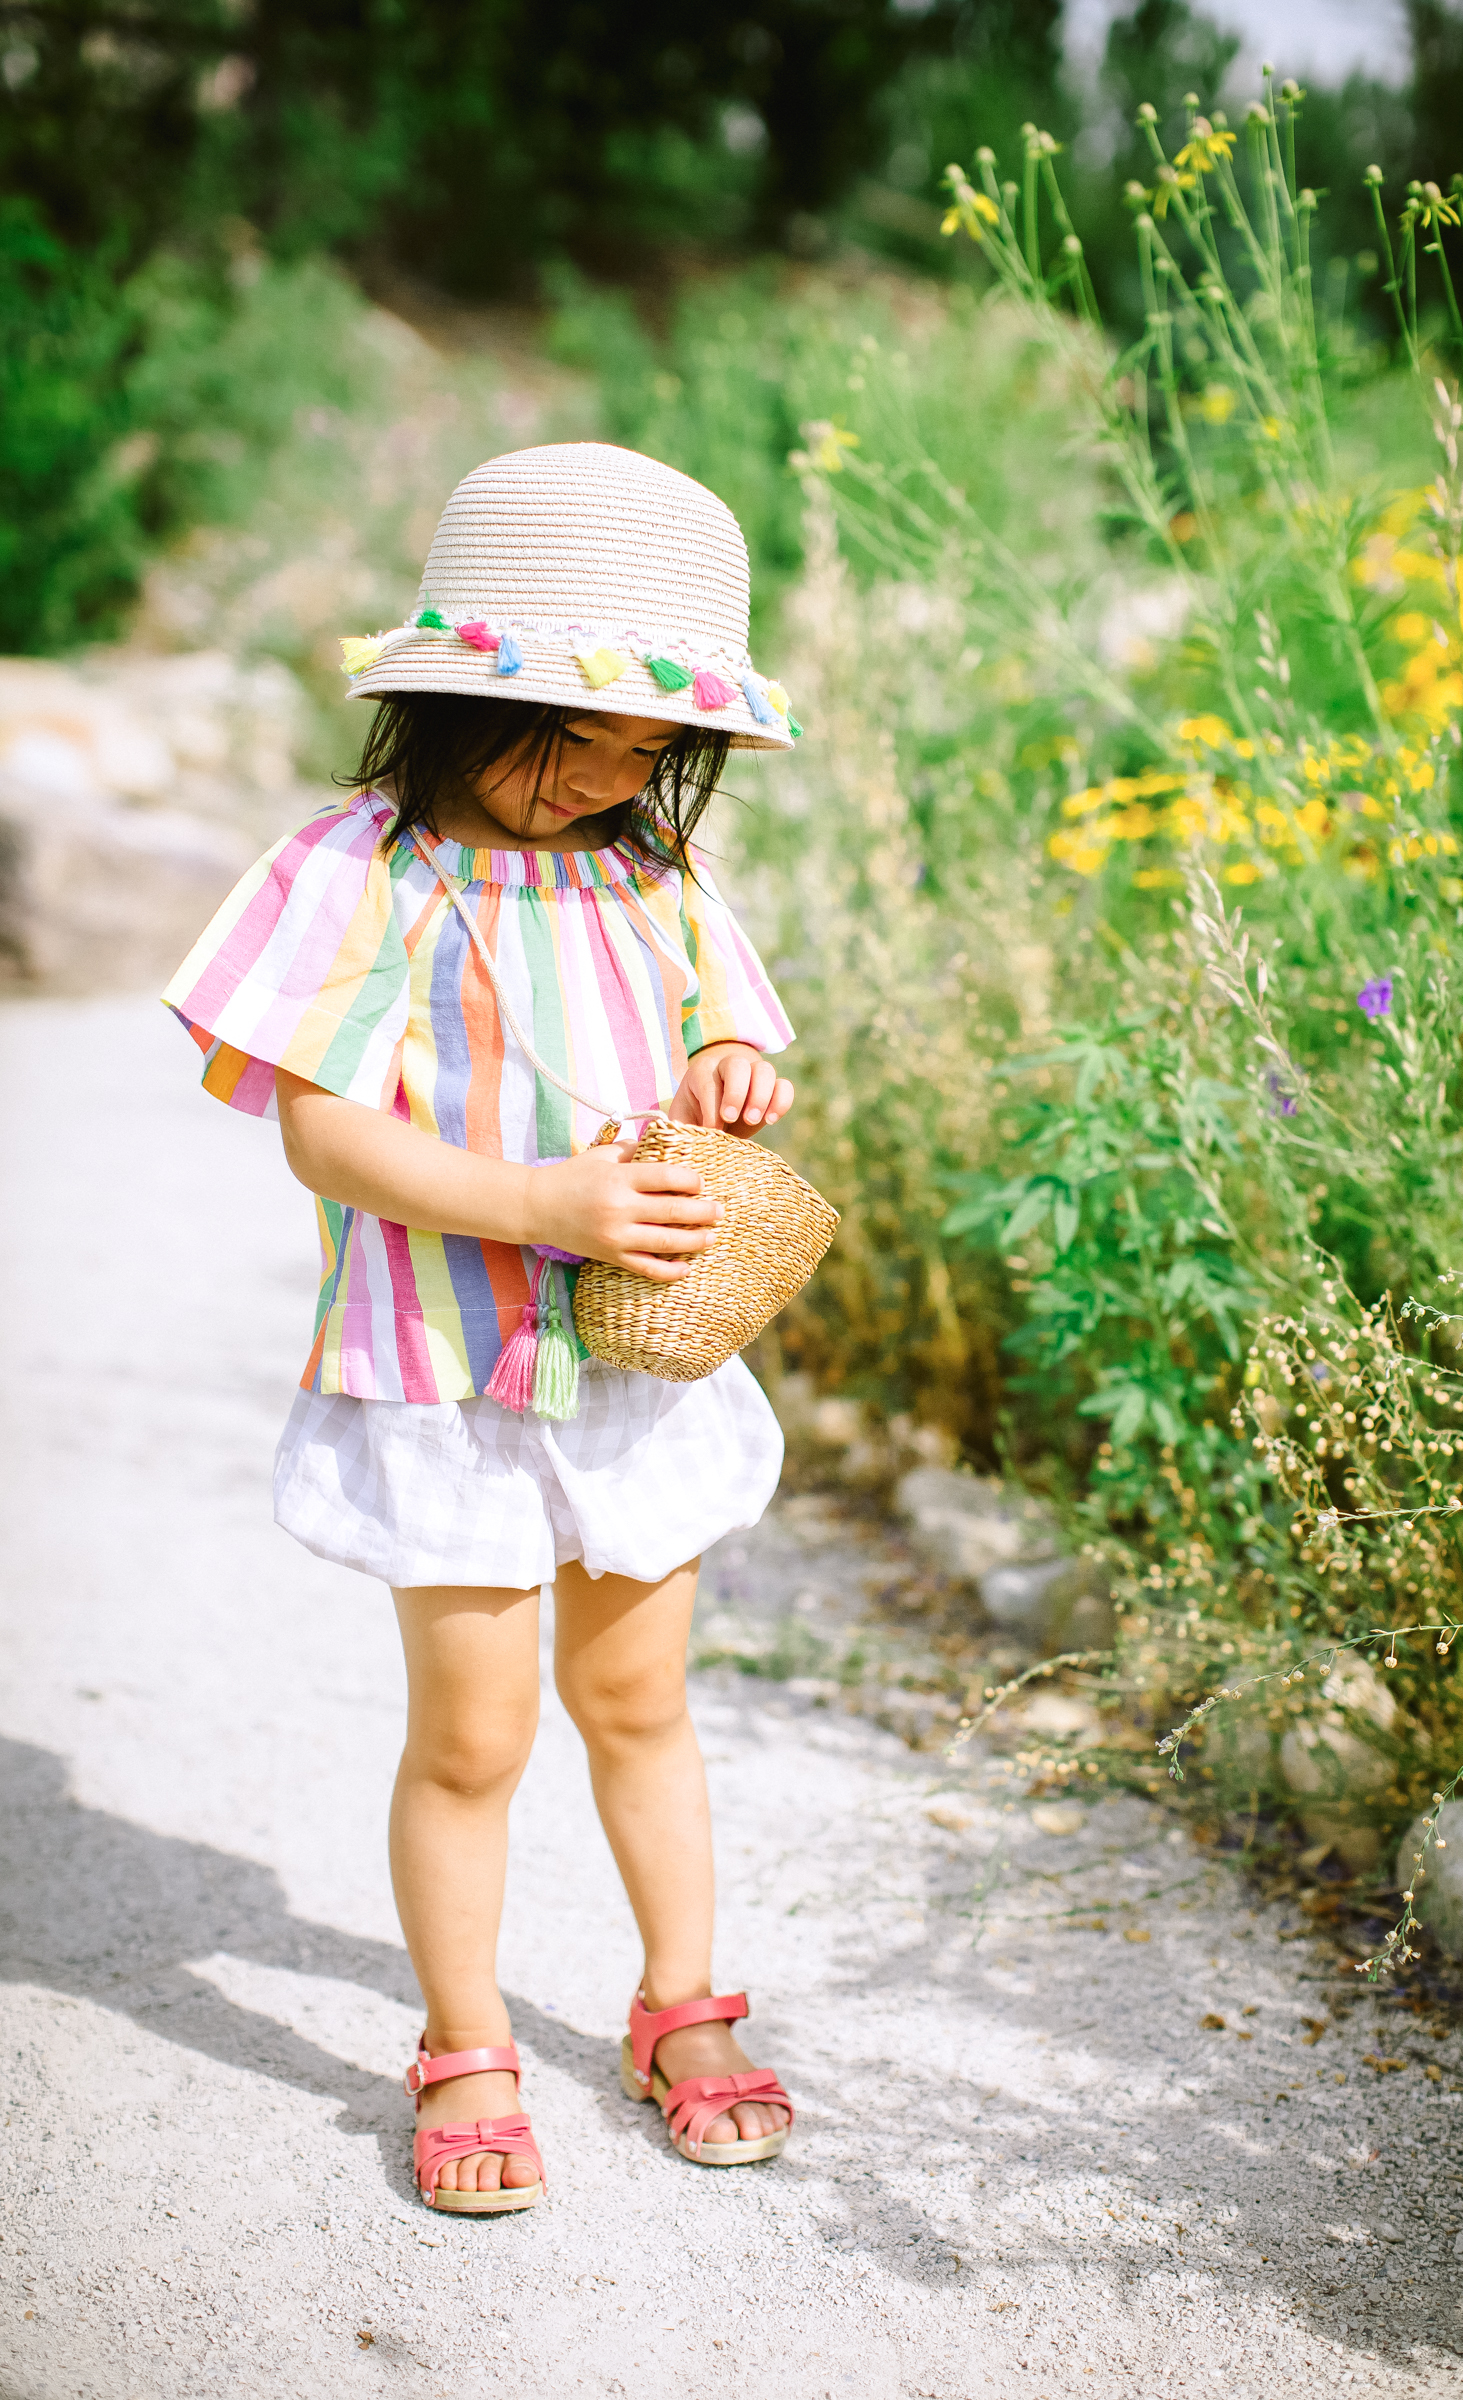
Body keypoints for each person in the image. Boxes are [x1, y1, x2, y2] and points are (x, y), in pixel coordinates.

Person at [163, 443, 804, 2214]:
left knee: (641, 1700)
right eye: (563, 733)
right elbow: (319, 1125)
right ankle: (464, 2037)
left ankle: (680, 2006)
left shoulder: (650, 877)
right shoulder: (358, 870)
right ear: (449, 698)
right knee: (473, 1738)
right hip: (442, 1363)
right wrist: (542, 1207)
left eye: (641, 748)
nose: (602, 774)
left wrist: (726, 1072)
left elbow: (713, 1037)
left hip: (633, 1366)